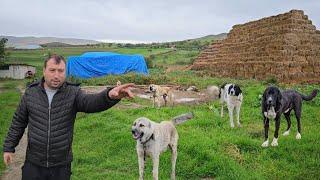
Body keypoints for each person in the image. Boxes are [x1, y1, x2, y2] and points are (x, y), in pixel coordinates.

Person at [2, 54, 134, 180]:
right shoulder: (31, 93)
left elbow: (91, 102)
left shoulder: (73, 93)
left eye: (61, 71)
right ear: (44, 71)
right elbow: (18, 122)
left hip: (61, 165)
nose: (56, 75)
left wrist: (109, 95)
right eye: (52, 70)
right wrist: (9, 147)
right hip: (34, 163)